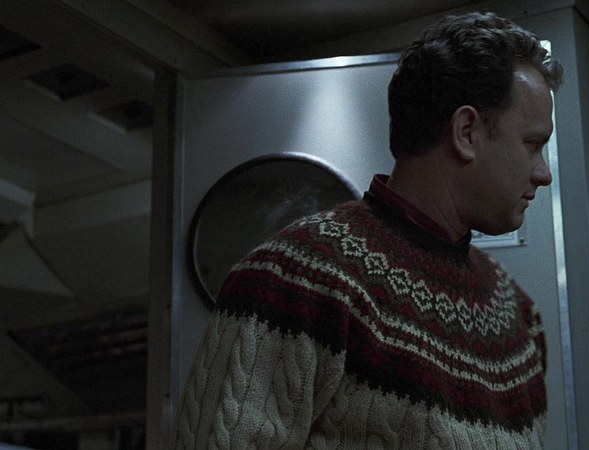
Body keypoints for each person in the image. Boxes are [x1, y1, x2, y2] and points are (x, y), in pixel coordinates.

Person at [174, 11, 562, 449]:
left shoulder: (518, 316)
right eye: (532, 144)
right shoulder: (294, 280)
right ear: (466, 132)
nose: (543, 173)